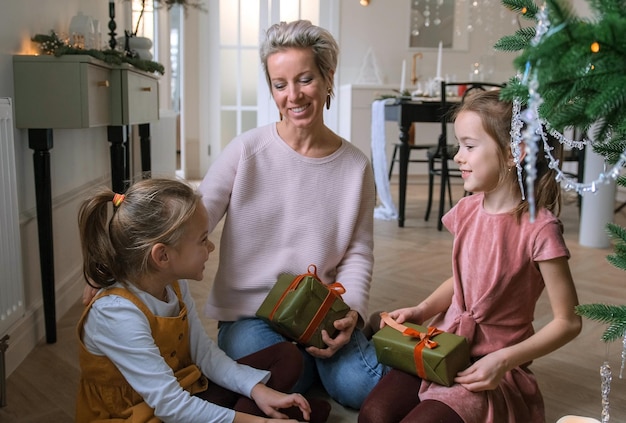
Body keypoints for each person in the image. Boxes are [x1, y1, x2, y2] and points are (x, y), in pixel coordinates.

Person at [358, 90, 582, 423]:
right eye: (459, 146)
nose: (458, 157)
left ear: (512, 154)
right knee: (373, 414)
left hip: (490, 366)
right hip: (442, 345)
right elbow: (463, 280)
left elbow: (569, 321)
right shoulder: (466, 209)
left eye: (469, 146)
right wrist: (421, 310)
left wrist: (504, 361)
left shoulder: (540, 230)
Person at [197, 19, 387, 409]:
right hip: (249, 316)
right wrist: (118, 266)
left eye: (305, 80)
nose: (293, 96)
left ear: (327, 76)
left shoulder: (355, 165)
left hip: (319, 311)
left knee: (360, 388)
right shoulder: (246, 150)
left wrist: (350, 311)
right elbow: (196, 218)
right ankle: (335, 357)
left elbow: (358, 252)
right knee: (289, 372)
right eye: (280, 84)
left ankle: (351, 343)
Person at [75, 178, 330, 423]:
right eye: (202, 240)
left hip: (186, 389)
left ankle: (261, 411)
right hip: (141, 415)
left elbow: (204, 354)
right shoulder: (116, 314)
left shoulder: (173, 284)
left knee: (287, 355)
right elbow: (171, 406)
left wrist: (257, 391)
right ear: (162, 256)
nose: (210, 247)